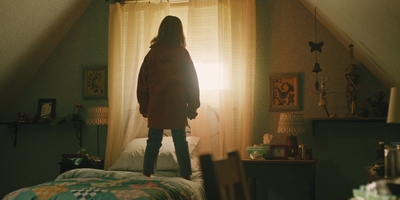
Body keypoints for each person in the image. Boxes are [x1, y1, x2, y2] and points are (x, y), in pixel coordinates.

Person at [136, 16, 200, 180]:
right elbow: (192, 82)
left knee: (153, 141)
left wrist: (144, 106)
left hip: (157, 103)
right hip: (176, 102)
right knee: (180, 140)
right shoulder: (182, 54)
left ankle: (147, 173)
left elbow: (142, 82)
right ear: (179, 32)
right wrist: (193, 106)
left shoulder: (151, 55)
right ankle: (185, 175)